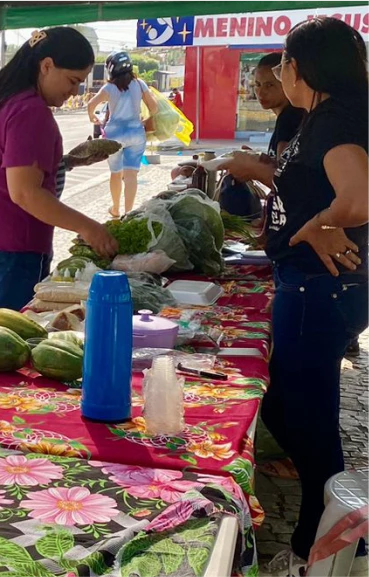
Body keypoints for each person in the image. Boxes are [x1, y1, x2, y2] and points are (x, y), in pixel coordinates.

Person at [222, 18, 369, 577]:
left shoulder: (334, 118)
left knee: (310, 427)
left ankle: (320, 548)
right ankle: (328, 526)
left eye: (283, 60)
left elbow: (357, 197)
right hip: (313, 286)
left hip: (318, 287)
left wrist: (316, 225)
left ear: (301, 67)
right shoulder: (328, 114)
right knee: (287, 406)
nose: (279, 70)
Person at [0, 28, 117, 353]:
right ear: (46, 66)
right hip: (8, 244)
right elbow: (25, 193)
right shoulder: (30, 111)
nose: (75, 91)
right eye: (73, 80)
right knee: (5, 344)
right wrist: (89, 227)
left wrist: (66, 162)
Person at [87, 52, 158, 218]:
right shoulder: (140, 84)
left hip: (114, 135)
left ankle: (116, 208)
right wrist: (145, 118)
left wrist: (93, 117)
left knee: (116, 173)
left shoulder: (109, 88)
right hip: (136, 132)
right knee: (131, 173)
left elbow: (91, 104)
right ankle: (129, 212)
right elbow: (154, 107)